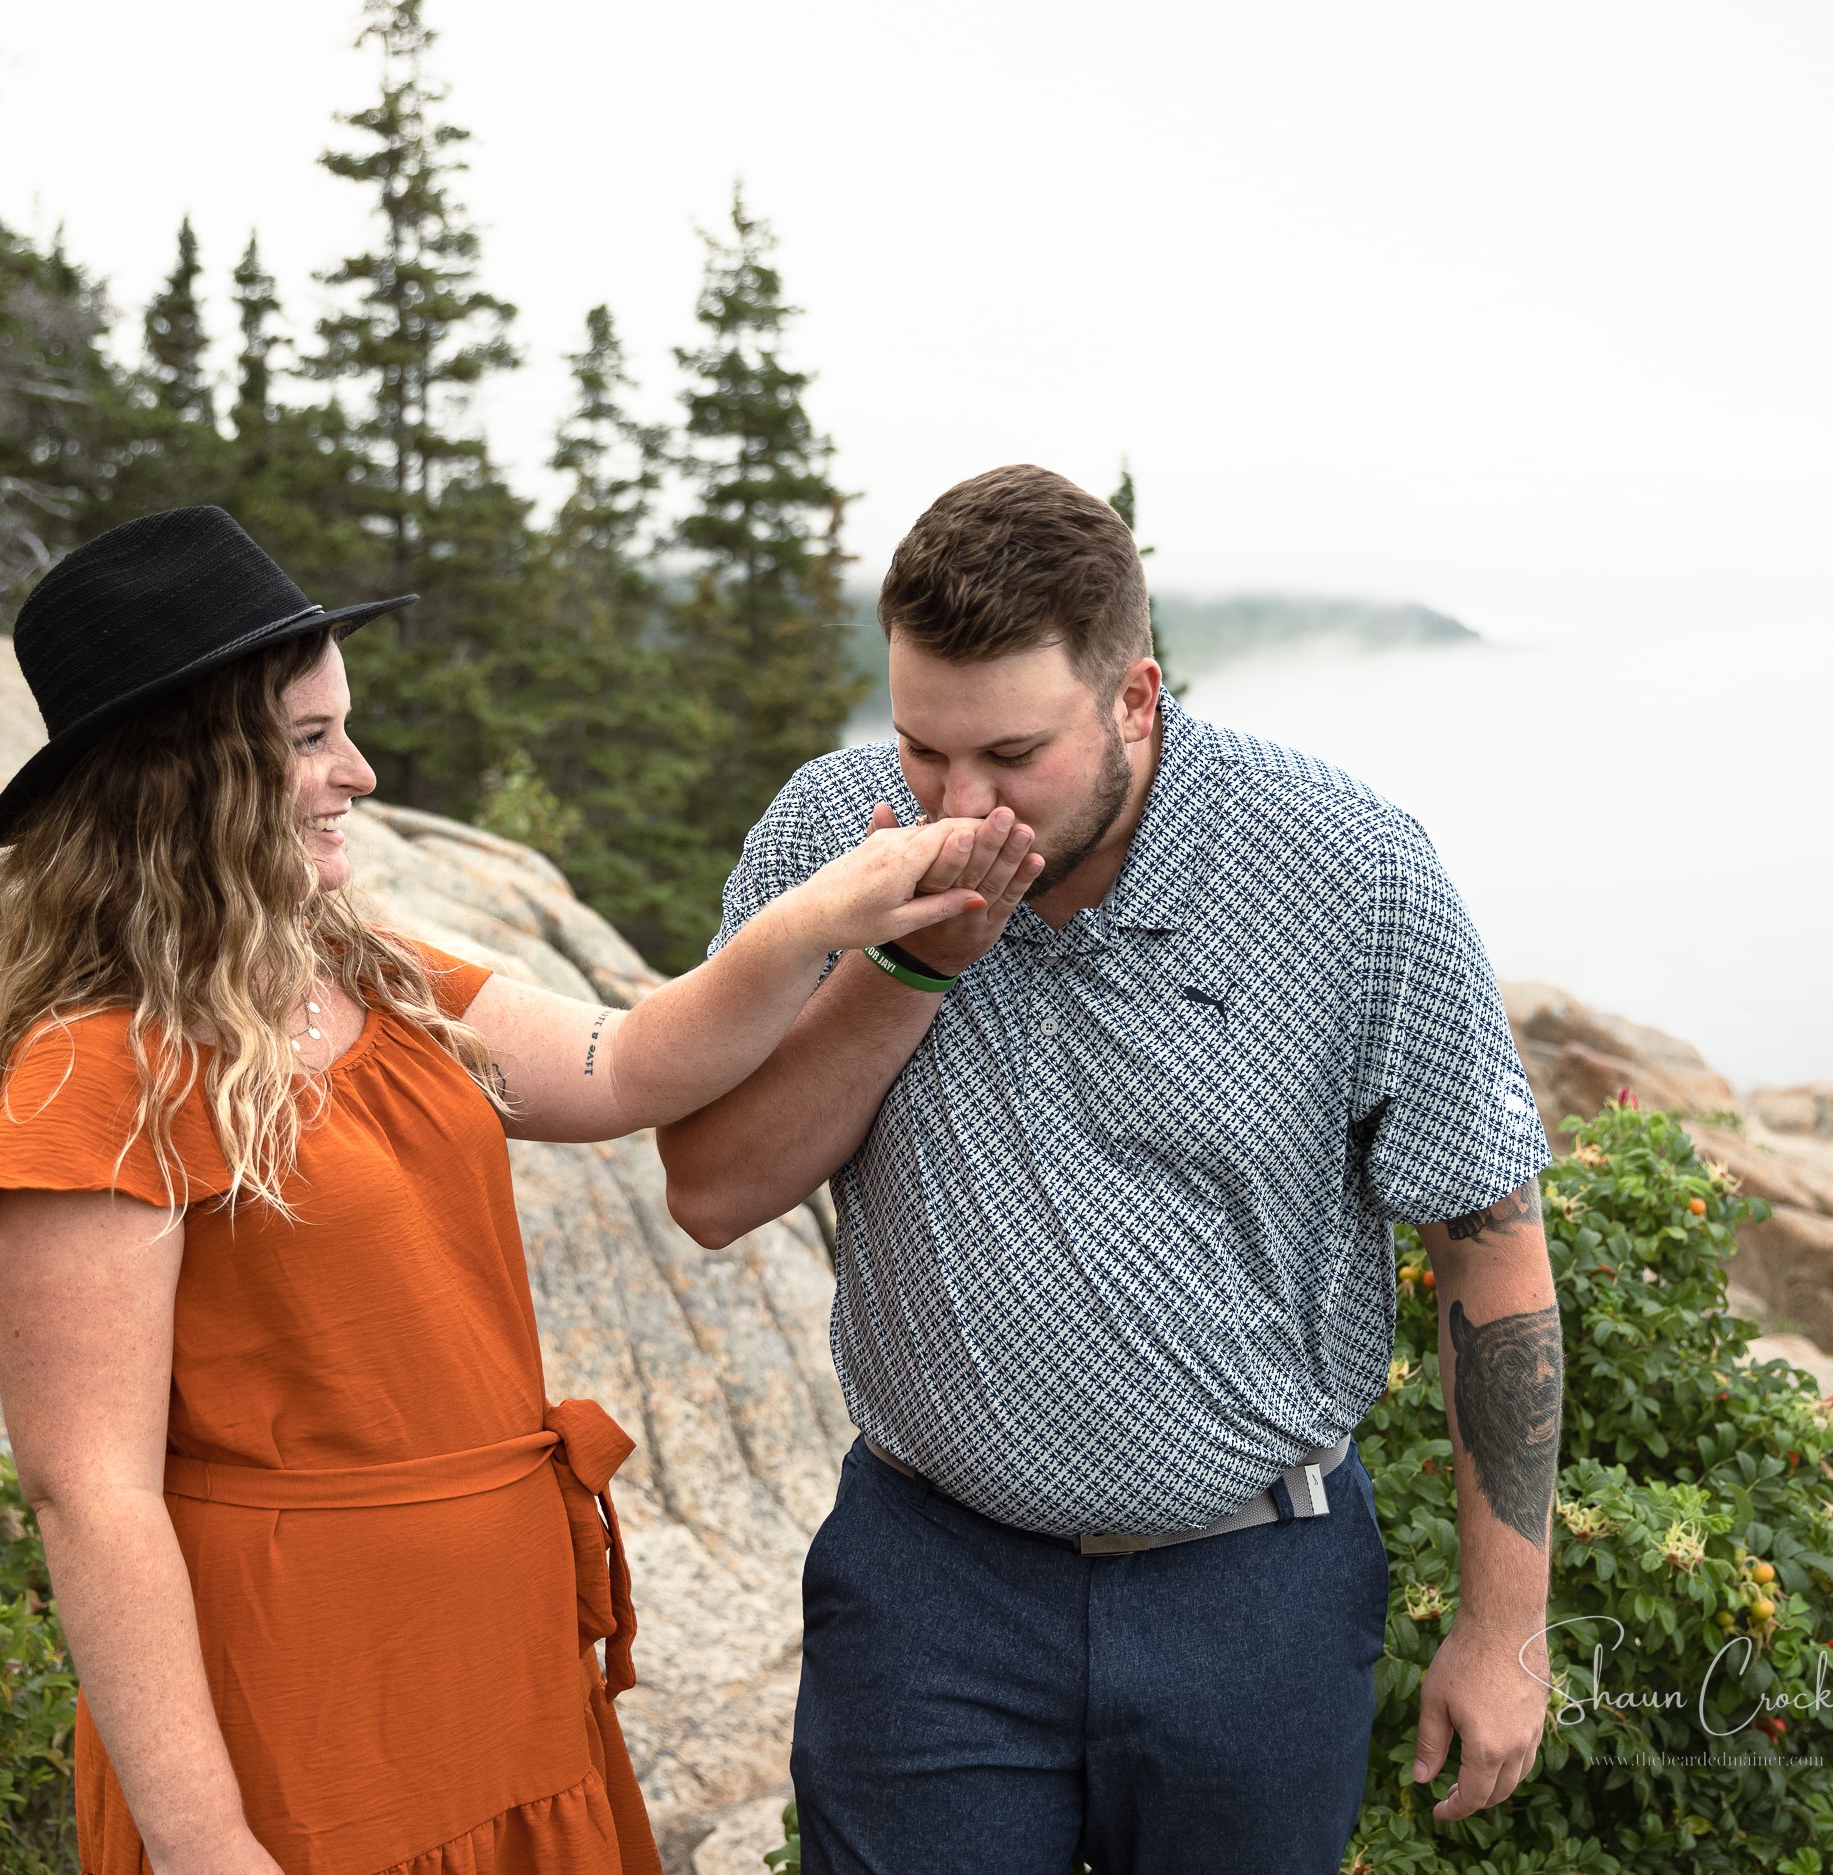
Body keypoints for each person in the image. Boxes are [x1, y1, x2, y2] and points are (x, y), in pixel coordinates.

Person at [0, 505, 1044, 1875]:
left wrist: (831, 918)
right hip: (302, 1713)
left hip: (504, 1678)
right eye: (306, 740)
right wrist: (203, 1839)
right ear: (178, 777)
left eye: (344, 727)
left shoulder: (374, 976)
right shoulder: (89, 1075)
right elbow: (89, 1495)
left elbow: (631, 1060)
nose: (359, 770)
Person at [657, 465, 1563, 1875]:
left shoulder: (1350, 870)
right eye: (921, 749)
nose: (959, 805)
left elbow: (1489, 1246)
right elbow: (711, 1188)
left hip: (1258, 1586)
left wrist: (1506, 1627)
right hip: (928, 1586)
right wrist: (906, 961)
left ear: (1135, 697)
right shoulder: (831, 836)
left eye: (1013, 756)